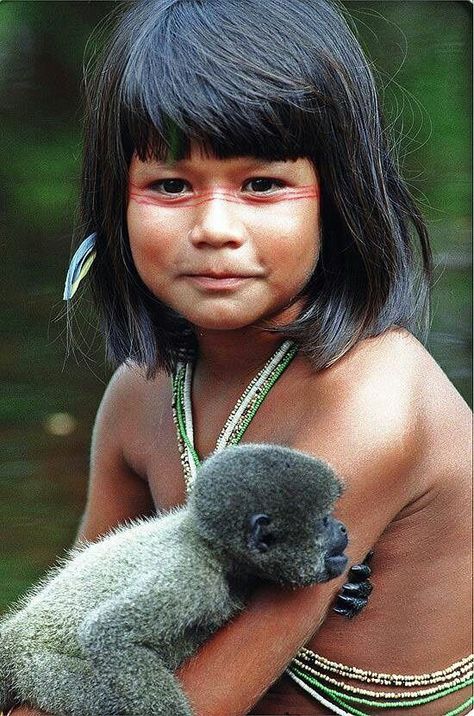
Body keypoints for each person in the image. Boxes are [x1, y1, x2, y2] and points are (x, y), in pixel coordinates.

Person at [10, 0, 472, 714]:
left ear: (339, 200)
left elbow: (201, 704)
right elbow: (73, 628)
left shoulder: (371, 401)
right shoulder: (143, 392)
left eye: (262, 184)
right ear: (114, 206)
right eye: (170, 185)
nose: (215, 228)